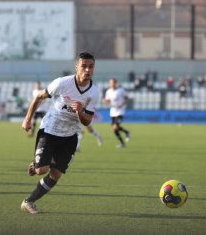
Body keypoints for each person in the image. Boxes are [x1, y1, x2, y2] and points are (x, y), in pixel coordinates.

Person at [21, 52, 100, 215]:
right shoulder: (62, 83)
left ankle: (29, 202)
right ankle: (38, 163)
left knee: (56, 175)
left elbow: (87, 121)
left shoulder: (94, 92)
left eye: (90, 66)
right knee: (41, 171)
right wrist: (27, 119)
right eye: (83, 66)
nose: (87, 70)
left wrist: (79, 112)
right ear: (77, 67)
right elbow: (38, 98)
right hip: (50, 131)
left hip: (71, 136)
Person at [103, 78, 130, 148]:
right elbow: (108, 101)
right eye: (110, 83)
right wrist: (105, 101)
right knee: (114, 129)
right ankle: (125, 135)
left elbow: (127, 98)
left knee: (115, 127)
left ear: (116, 83)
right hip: (113, 112)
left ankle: (124, 139)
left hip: (120, 112)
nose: (112, 84)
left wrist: (122, 104)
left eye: (113, 83)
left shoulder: (120, 90)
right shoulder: (108, 91)